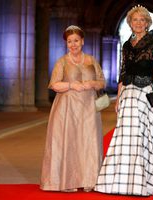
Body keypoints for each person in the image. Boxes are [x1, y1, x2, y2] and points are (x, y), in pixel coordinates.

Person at [95, 5, 153, 196]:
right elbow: (123, 72)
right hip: (128, 94)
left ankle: (150, 178)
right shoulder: (128, 45)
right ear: (130, 23)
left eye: (141, 20)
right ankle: (123, 181)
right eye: (134, 20)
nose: (138, 23)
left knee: (148, 135)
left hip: (146, 93)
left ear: (147, 23)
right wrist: (119, 97)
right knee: (126, 136)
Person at [40, 25, 106, 192]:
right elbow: (54, 84)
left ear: (82, 41)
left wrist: (92, 84)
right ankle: (66, 180)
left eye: (76, 40)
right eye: (69, 42)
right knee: (68, 142)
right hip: (66, 108)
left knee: (88, 141)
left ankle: (90, 179)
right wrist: (70, 84)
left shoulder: (92, 60)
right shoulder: (61, 61)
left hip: (88, 108)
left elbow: (102, 81)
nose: (73, 44)